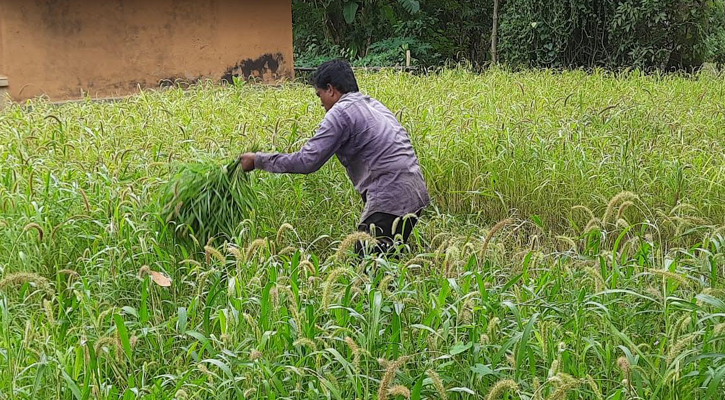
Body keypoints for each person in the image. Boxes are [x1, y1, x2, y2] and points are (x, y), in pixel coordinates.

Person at [238, 60, 429, 256]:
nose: (320, 102)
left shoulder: (341, 112)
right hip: (414, 192)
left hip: (390, 196)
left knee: (368, 267)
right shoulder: (373, 104)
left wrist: (258, 160)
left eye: (319, 94)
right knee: (386, 263)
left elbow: (307, 161)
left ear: (330, 89)